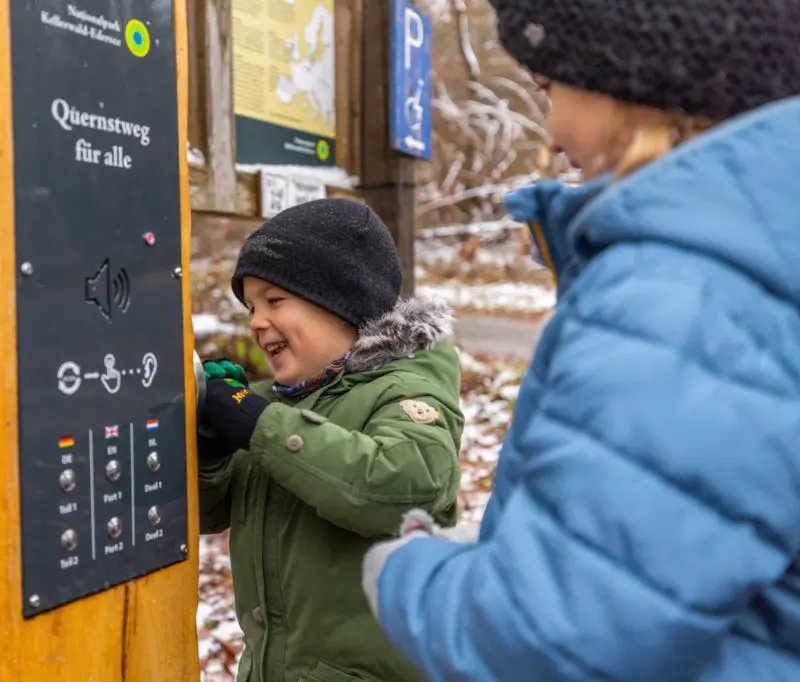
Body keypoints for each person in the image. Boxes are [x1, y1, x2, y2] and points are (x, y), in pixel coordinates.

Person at [360, 1, 800, 681]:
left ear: (642, 85)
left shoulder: (679, 291)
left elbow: (550, 641)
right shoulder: (758, 258)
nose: (553, 131)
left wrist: (407, 570)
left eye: (554, 87)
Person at [196, 197, 465, 682]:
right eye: (251, 306)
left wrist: (257, 425)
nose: (256, 321)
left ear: (342, 303)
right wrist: (212, 451)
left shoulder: (405, 391)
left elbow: (404, 487)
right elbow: (208, 516)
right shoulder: (279, 405)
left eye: (275, 300)